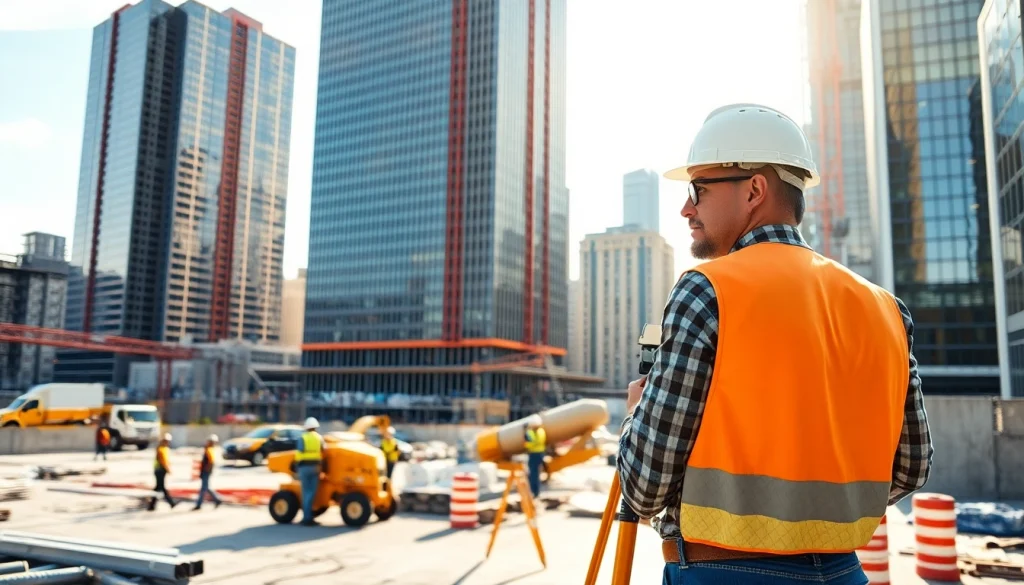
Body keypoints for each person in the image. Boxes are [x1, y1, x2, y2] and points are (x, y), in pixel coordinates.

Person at [616, 103, 934, 585]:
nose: (686, 208)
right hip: (845, 572)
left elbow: (643, 487)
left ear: (755, 190)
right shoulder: (886, 309)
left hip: (720, 572)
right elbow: (911, 468)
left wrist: (635, 414)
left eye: (698, 189)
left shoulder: (707, 290)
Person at [295, 417, 325, 526]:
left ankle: (306, 517)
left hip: (304, 468)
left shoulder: (302, 438)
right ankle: (309, 516)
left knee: (305, 492)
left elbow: (299, 452)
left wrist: (296, 466)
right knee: (312, 492)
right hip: (315, 467)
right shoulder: (319, 438)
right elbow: (324, 450)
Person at [148, 432, 178, 511]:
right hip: (160, 470)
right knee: (162, 488)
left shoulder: (163, 448)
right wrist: (168, 469)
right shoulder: (161, 449)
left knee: (158, 487)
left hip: (160, 470)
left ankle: (152, 505)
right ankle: (171, 503)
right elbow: (163, 461)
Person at [194, 434, 223, 510]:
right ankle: (217, 500)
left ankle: (199, 504)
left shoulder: (209, 450)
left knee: (204, 488)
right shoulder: (209, 449)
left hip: (206, 472)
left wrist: (207, 470)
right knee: (206, 488)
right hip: (205, 471)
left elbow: (211, 462)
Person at [523, 415, 546, 498]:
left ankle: (534, 492)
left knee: (533, 474)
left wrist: (526, 439)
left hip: (534, 454)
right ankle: (536, 491)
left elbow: (529, 444)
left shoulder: (531, 433)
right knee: (536, 474)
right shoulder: (541, 431)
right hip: (540, 454)